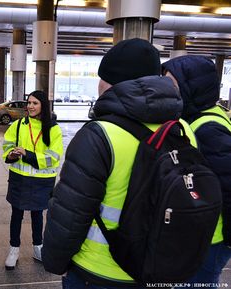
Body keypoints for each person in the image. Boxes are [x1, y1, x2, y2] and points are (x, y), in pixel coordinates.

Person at [41, 38, 193, 288]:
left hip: (99, 270)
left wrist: (54, 262)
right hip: (159, 266)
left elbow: (70, 214)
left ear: (111, 82)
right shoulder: (183, 129)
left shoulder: (99, 134)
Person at [162, 55, 231, 288]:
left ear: (192, 88)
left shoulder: (207, 128)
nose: (165, 90)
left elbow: (228, 184)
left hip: (211, 238)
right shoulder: (195, 118)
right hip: (201, 233)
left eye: (171, 85)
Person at [2, 90, 63, 270]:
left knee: (37, 215)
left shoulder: (53, 128)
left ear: (43, 105)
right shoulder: (18, 125)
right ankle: (14, 250)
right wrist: (12, 154)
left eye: (35, 103)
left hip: (41, 181)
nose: (30, 106)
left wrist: (26, 154)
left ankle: (38, 248)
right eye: (29, 103)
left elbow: (53, 157)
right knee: (16, 215)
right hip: (19, 179)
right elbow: (6, 146)